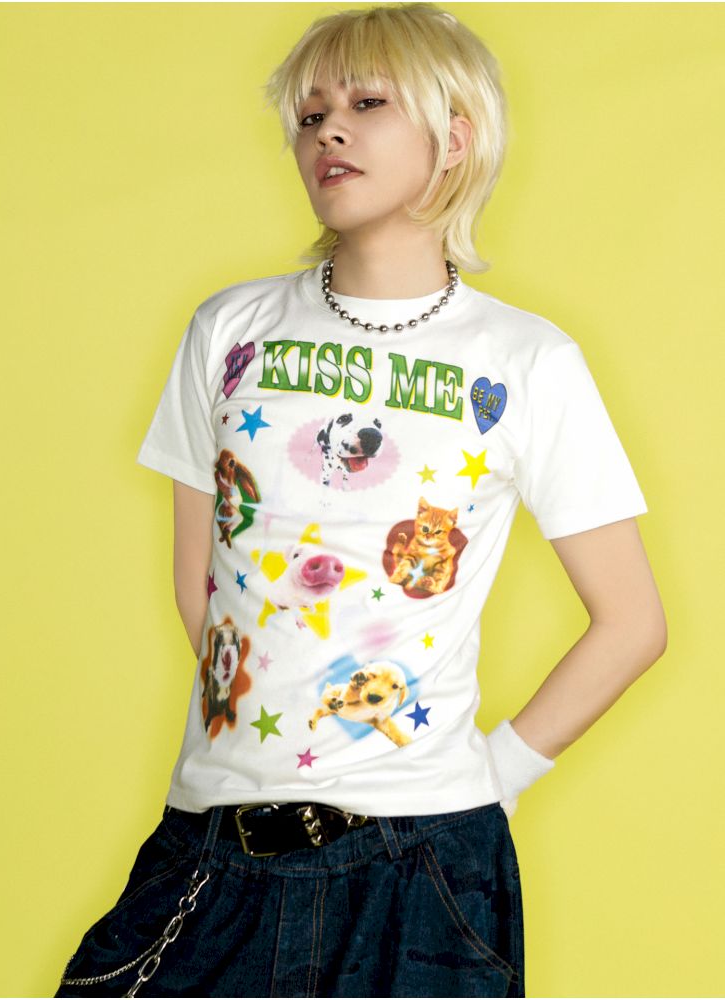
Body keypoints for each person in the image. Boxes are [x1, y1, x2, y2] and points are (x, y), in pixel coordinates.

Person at [54, 4, 666, 998]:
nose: (328, 130)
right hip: (210, 847)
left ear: (454, 138)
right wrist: (260, 754)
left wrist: (494, 778)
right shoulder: (229, 330)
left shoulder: (526, 361)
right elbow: (202, 583)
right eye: (310, 114)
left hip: (424, 865)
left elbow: (632, 622)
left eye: (367, 104)